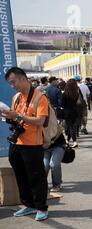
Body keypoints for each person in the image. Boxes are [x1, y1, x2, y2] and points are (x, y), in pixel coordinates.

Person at [1, 67, 49, 221]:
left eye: (13, 82)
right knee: (20, 175)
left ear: (23, 78)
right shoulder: (16, 98)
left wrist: (19, 116)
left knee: (36, 176)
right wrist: (7, 115)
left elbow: (40, 121)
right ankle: (28, 204)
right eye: (10, 83)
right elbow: (16, 118)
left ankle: (41, 207)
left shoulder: (39, 97)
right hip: (17, 141)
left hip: (33, 144)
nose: (12, 86)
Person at [62, 79, 81, 148]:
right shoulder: (77, 93)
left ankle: (75, 141)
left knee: (70, 127)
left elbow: (62, 104)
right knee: (71, 126)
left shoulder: (65, 94)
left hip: (67, 112)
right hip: (75, 111)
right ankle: (67, 140)